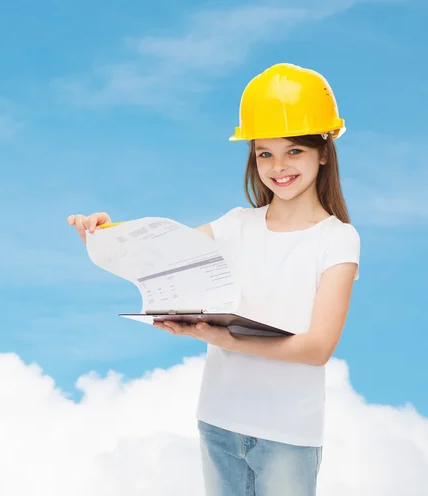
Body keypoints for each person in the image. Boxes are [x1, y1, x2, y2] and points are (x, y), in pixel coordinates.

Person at [67, 63, 360, 496]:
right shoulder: (234, 226)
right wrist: (107, 231)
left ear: (323, 150)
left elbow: (318, 348)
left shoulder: (337, 239)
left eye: (293, 151)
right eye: (265, 153)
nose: (278, 166)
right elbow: (162, 252)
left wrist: (227, 341)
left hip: (288, 435)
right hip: (219, 422)